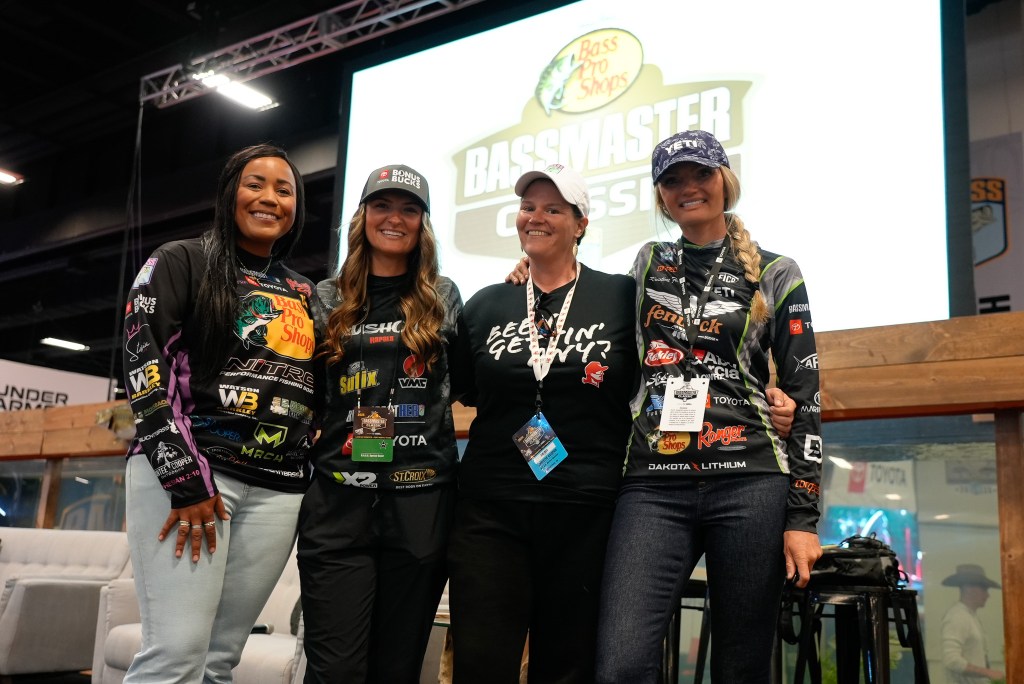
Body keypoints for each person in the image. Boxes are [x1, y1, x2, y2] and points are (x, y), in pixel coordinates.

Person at [594, 129, 823, 683]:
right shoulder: (648, 262)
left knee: (742, 668)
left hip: (751, 481)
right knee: (621, 664)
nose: (688, 187)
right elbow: (596, 321)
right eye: (673, 180)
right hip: (653, 483)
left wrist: (802, 519)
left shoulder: (777, 270)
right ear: (660, 195)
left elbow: (806, 397)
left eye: (701, 173)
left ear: (725, 181)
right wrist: (532, 273)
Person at [122, 143, 317, 682]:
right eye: (256, 184)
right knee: (176, 652)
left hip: (278, 492)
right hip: (194, 479)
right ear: (230, 192)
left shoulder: (304, 291)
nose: (270, 198)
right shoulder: (179, 260)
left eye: (284, 190)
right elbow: (143, 367)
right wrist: (184, 480)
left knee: (219, 658)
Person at [447, 163, 638, 684]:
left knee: (567, 666)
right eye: (528, 207)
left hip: (585, 509)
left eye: (553, 209)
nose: (536, 217)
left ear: (581, 225)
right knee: (481, 665)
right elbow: (460, 388)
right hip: (490, 511)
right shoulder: (487, 304)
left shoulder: (621, 297)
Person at [297, 164, 462, 683]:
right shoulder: (326, 297)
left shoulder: (443, 295)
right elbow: (308, 390)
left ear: (423, 224)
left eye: (409, 209)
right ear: (362, 216)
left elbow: (467, 382)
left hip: (421, 499)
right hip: (338, 499)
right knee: (335, 670)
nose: (395, 218)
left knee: (396, 669)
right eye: (382, 206)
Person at [941, 564, 1004, 683]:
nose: (987, 595)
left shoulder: (968, 616)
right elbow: (951, 660)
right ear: (969, 589)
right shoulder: (958, 617)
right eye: (984, 589)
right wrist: (988, 673)